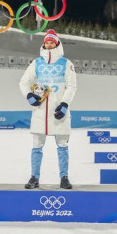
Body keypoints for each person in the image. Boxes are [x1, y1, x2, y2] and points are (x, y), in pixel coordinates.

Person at [19, 29, 77, 190]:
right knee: (37, 146)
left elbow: (72, 86)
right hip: (40, 112)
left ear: (57, 43)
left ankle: (64, 177)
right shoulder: (36, 63)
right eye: (47, 42)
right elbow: (23, 82)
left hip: (59, 112)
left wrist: (65, 104)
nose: (49, 44)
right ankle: (34, 177)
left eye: (52, 42)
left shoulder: (67, 64)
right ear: (44, 44)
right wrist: (29, 96)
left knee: (62, 146)